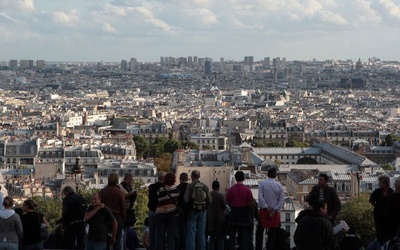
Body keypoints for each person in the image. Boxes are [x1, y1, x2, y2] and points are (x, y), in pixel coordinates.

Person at [226, 171, 254, 250]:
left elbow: (227, 201)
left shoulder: (231, 190)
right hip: (244, 214)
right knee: (244, 236)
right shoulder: (247, 190)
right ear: (244, 178)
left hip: (234, 213)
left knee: (232, 236)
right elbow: (251, 203)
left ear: (235, 178)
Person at [258, 167, 285, 250]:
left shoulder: (262, 184)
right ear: (275, 175)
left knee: (259, 232)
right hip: (275, 212)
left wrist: (266, 207)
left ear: (267, 174)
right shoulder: (280, 186)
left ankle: (258, 248)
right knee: (272, 234)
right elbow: (281, 200)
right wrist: (274, 209)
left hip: (263, 211)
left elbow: (260, 197)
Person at [184, 170, 211, 250]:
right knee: (201, 234)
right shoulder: (204, 186)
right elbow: (210, 200)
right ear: (199, 176)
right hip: (202, 211)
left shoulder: (190, 186)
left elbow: (186, 199)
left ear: (191, 176)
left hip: (192, 211)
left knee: (191, 234)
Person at [99, 173, 126, 250]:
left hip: (105, 219)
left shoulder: (102, 191)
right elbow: (123, 206)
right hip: (117, 218)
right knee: (117, 240)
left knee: (105, 239)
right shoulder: (120, 192)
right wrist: (124, 218)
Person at [155, 172, 180, 250]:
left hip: (161, 214)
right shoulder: (176, 190)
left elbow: (158, 200)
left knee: (160, 237)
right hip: (172, 214)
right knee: (171, 237)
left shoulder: (160, 190)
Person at [369, 175, 394, 244]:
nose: (380, 184)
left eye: (382, 183)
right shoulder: (377, 191)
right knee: (379, 229)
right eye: (380, 183)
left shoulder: (391, 192)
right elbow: (371, 200)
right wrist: (376, 206)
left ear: (386, 184)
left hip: (388, 214)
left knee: (387, 230)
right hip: (378, 213)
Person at [147, 172, 165, 250]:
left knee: (152, 232)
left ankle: (152, 247)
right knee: (160, 232)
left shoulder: (151, 187)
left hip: (152, 210)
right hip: (161, 211)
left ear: (158, 178)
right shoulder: (165, 188)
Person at [207, 180, 226, 250]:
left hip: (211, 220)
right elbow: (224, 207)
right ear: (219, 187)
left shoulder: (208, 195)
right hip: (220, 220)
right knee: (220, 238)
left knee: (212, 238)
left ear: (212, 187)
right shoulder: (221, 196)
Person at [176, 173, 189, 250]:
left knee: (181, 231)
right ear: (187, 178)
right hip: (189, 211)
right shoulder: (190, 187)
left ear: (180, 179)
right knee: (189, 231)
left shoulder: (177, 189)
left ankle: (181, 246)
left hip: (180, 212)